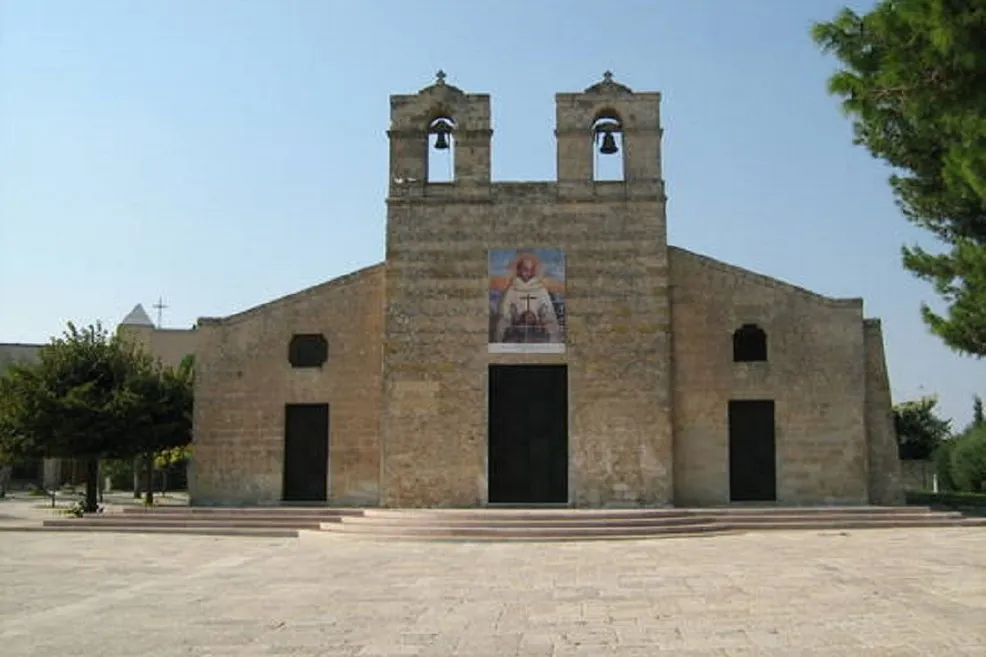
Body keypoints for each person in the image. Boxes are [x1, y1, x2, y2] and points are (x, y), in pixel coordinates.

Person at [493, 253, 562, 344]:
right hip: (516, 329)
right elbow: (505, 313)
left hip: (537, 329)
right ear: (519, 269)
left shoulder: (540, 289)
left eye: (531, 269)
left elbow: (548, 312)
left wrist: (544, 322)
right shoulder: (512, 289)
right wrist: (512, 320)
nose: (528, 272)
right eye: (525, 269)